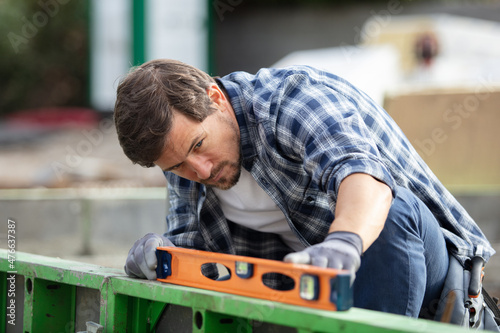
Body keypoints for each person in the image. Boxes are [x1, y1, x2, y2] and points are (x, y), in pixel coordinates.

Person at [113, 59, 494, 318]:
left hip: (429, 279)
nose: (200, 170)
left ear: (214, 98)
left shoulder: (288, 100)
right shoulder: (187, 163)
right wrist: (158, 255)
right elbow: (195, 257)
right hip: (318, 299)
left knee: (393, 211)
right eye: (177, 165)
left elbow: (366, 180)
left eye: (198, 146)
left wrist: (344, 242)